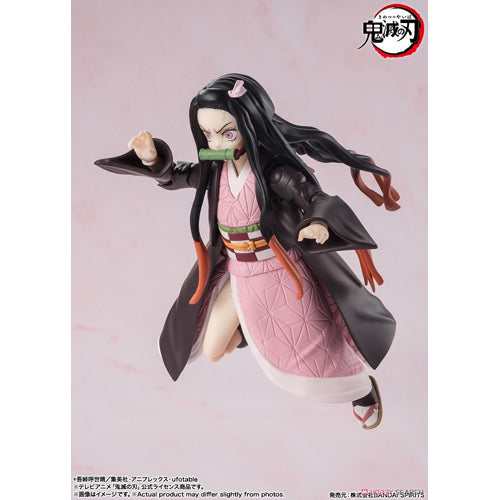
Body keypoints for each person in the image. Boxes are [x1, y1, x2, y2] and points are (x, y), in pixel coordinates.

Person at [95, 73, 400, 429]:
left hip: (282, 273)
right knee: (213, 349)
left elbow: (314, 196)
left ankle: (361, 391)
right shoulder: (215, 171)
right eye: (208, 134)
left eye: (226, 133)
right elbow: (176, 175)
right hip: (238, 274)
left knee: (316, 348)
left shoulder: (272, 174)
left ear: (249, 125)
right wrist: (152, 160)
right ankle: (251, 332)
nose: (215, 142)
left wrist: (317, 222)